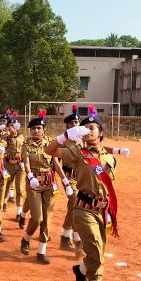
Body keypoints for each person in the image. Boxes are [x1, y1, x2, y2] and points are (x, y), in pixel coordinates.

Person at [46, 106, 121, 281]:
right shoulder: (78, 153)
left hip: (103, 211)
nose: (87, 130)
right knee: (96, 252)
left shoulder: (108, 158)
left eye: (92, 128)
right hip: (84, 209)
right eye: (84, 128)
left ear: (101, 134)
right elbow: (49, 151)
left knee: (98, 254)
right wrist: (66, 135)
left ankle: (80, 271)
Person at [19, 110, 70, 264]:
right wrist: (29, 176)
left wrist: (65, 181)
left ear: (44, 129)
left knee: (47, 220)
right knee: (36, 217)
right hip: (34, 183)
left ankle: (41, 252)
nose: (36, 131)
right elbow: (26, 163)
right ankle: (26, 239)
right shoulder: (26, 145)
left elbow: (56, 164)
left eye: (39, 128)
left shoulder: (50, 143)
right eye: (33, 128)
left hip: (49, 184)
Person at [59, 105, 80, 253]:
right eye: (72, 123)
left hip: (82, 177)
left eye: (77, 122)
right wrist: (64, 181)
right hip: (69, 177)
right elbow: (55, 163)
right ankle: (76, 238)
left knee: (78, 206)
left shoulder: (84, 139)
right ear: (67, 125)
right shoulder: (62, 141)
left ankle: (67, 236)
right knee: (75, 201)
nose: (74, 125)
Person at [3, 112, 26, 226]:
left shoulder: (23, 138)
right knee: (5, 185)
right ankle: (4, 202)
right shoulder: (5, 139)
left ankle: (19, 212)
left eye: (13, 125)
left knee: (19, 189)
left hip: (20, 166)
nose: (11, 128)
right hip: (8, 165)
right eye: (9, 125)